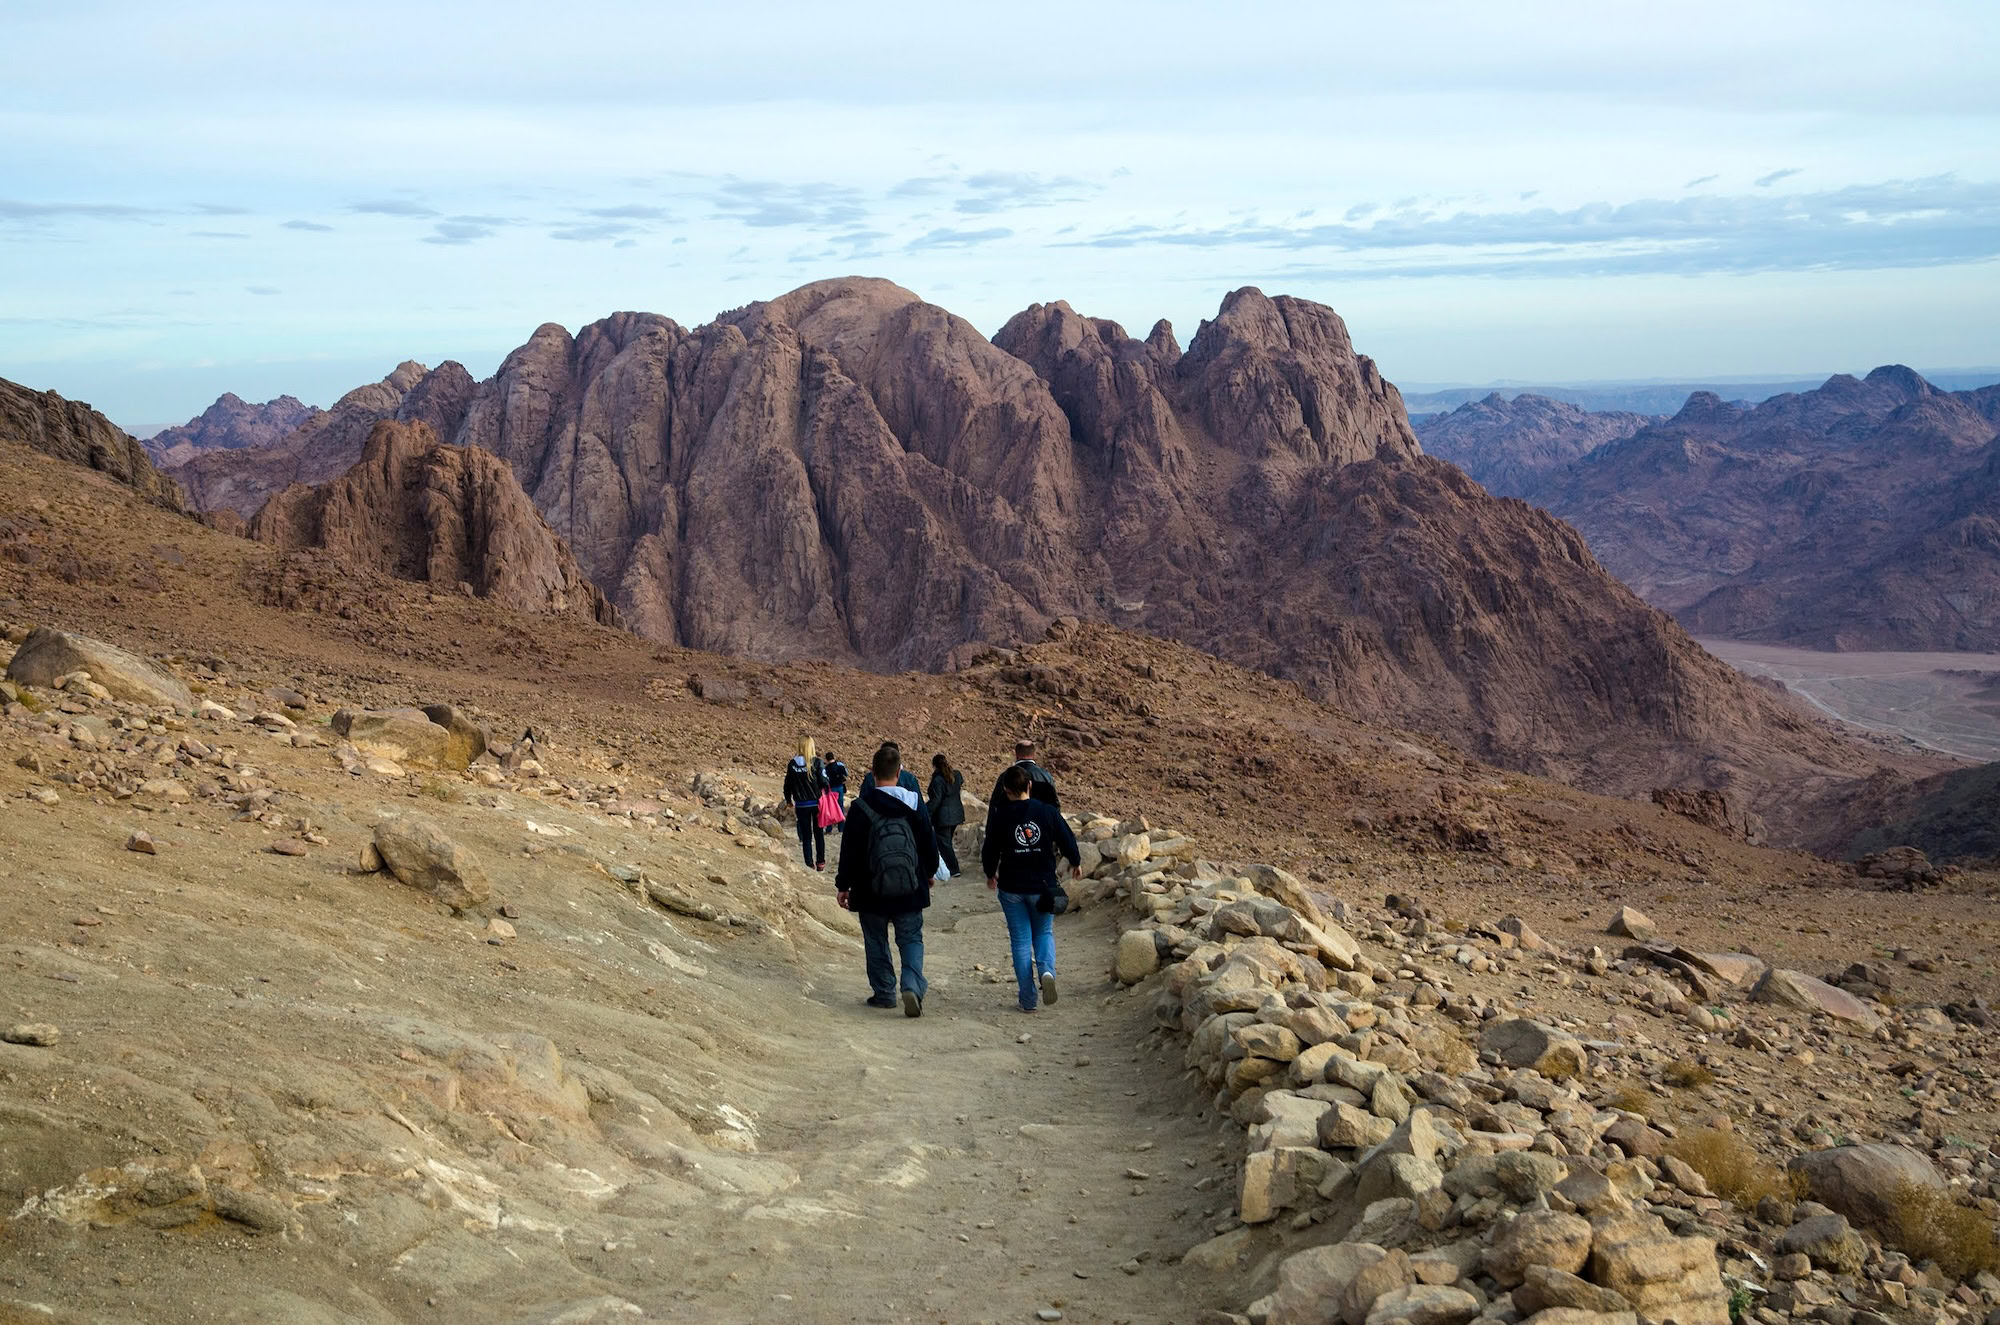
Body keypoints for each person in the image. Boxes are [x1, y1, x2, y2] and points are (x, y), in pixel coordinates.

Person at [837, 745, 940, 1017]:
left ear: (872, 773)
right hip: (910, 886)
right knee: (910, 938)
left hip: (870, 889)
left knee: (876, 940)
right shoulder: (915, 803)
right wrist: (928, 872)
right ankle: (912, 985)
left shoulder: (861, 807)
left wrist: (843, 885)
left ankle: (884, 993)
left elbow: (849, 850)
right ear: (900, 772)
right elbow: (928, 843)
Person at [983, 764, 1080, 1013]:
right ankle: (1047, 971)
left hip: (1011, 886)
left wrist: (990, 872)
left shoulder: (1000, 815)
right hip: (1043, 885)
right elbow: (1067, 838)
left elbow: (991, 847)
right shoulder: (1046, 811)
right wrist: (1075, 862)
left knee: (1020, 940)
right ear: (1029, 786)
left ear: (1005, 790)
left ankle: (1027, 999)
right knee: (1044, 933)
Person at [782, 736, 829, 871]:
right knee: (819, 833)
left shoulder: (792, 764)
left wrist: (788, 799)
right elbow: (824, 782)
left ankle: (809, 863)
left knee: (806, 836)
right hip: (816, 804)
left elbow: (787, 784)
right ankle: (821, 862)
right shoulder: (817, 762)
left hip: (801, 805)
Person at [990, 739, 1060, 811]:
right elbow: (1054, 805)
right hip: (1041, 819)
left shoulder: (1007, 776)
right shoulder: (1046, 776)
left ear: (1016, 755)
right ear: (1034, 755)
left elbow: (995, 804)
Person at [927, 753, 966, 877]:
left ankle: (953, 869)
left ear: (934, 765)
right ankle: (946, 866)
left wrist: (925, 812)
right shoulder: (957, 774)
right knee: (946, 842)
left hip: (943, 817)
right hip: (957, 813)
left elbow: (936, 800)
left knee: (944, 844)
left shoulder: (937, 780)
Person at [859, 740, 924, 804]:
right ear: (898, 772)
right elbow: (922, 812)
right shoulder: (910, 780)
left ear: (873, 771)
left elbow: (861, 804)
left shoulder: (869, 778)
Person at [824, 751, 849, 825]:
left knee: (831, 807)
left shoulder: (826, 768)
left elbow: (825, 779)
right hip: (840, 787)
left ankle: (830, 827)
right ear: (833, 757)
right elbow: (846, 774)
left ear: (826, 759)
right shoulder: (840, 765)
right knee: (840, 806)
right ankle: (841, 826)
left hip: (831, 789)